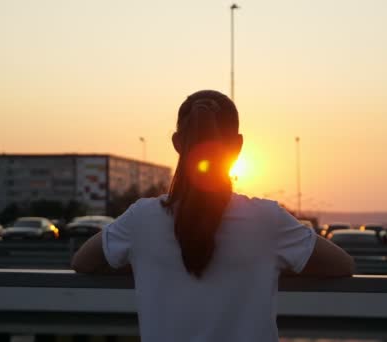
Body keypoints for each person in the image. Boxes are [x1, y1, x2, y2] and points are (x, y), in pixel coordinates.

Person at [72, 90, 354, 342]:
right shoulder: (268, 221)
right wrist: (271, 264)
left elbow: (83, 261)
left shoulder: (141, 219)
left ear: (177, 143)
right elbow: (341, 264)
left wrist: (143, 259)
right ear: (238, 145)